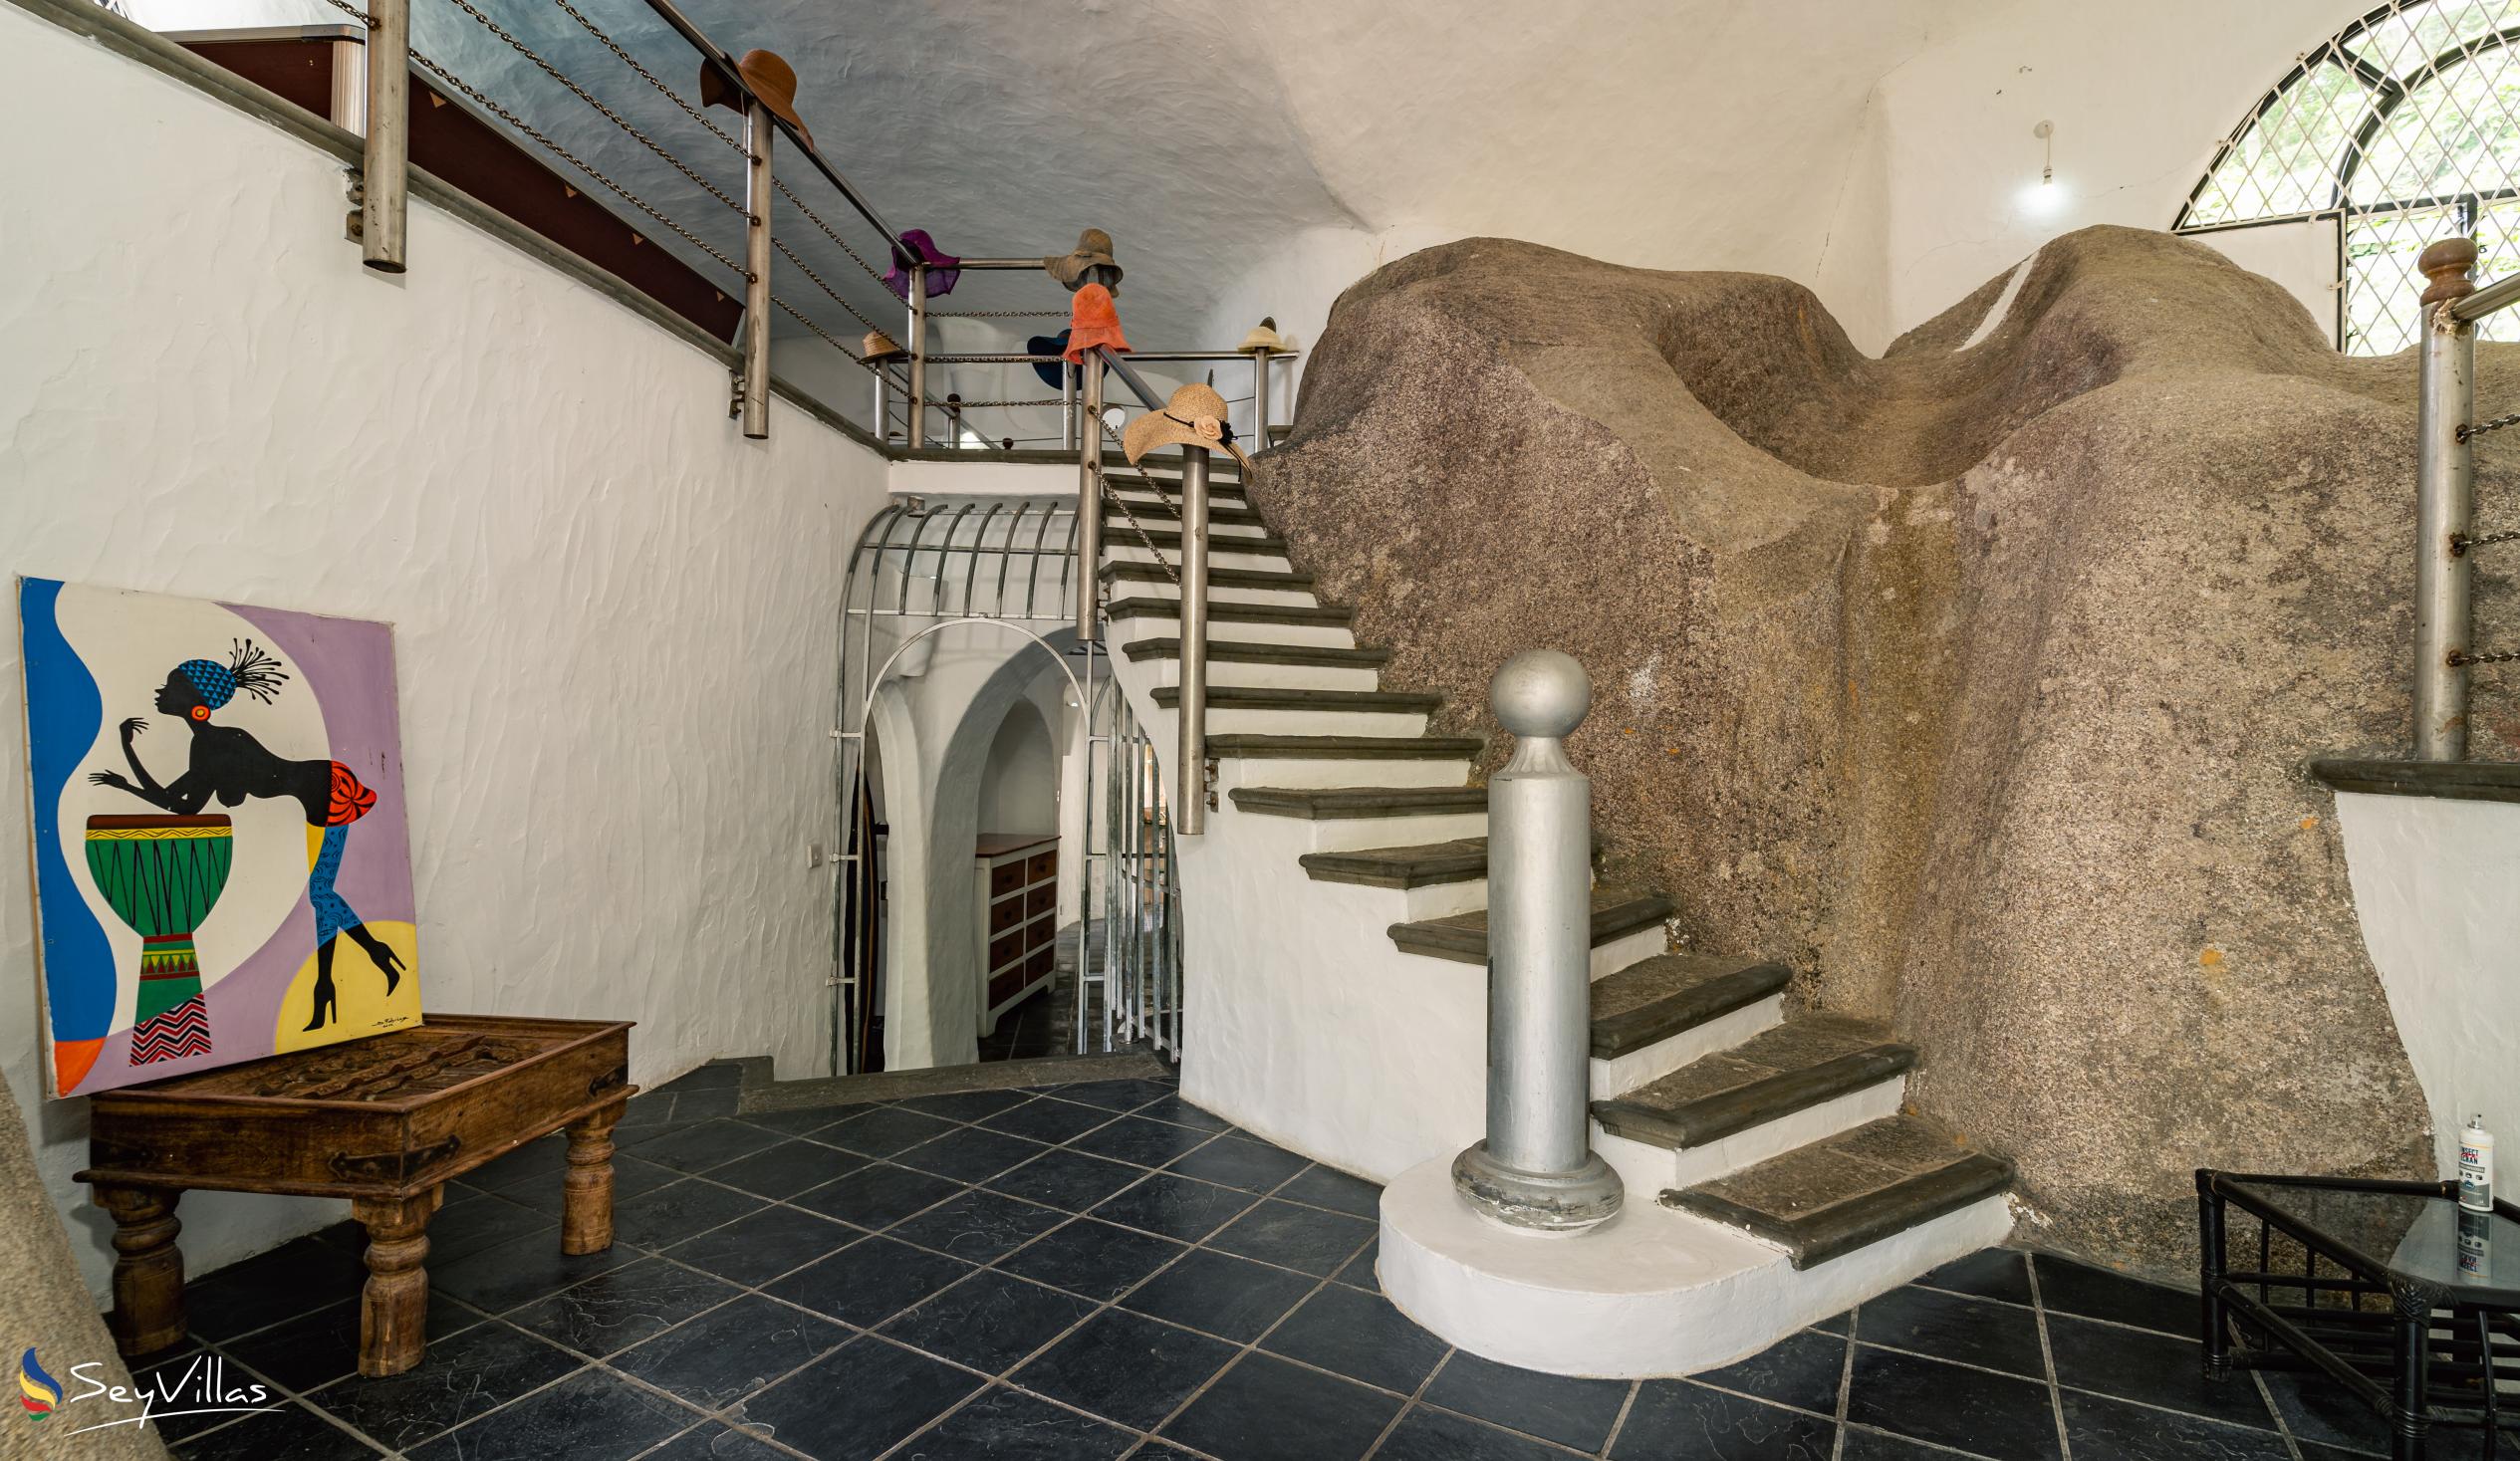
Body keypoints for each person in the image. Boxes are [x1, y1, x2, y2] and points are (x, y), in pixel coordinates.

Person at [89, 639, 403, 1030]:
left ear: (195, 703)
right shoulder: (210, 743)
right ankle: (333, 984)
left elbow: (181, 805)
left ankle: (366, 961)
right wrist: (126, 766)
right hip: (317, 787)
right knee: (322, 898)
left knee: (321, 895)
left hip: (327, 788)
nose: (161, 693)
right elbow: (178, 802)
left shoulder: (214, 743)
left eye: (171, 688)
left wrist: (127, 763)